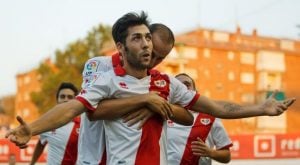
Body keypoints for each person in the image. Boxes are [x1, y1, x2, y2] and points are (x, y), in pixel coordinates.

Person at [6, 11, 296, 164]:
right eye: (138, 39)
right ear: (120, 47)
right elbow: (75, 109)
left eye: (148, 38)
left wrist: (262, 108)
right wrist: (32, 128)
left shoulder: (166, 83)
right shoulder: (105, 76)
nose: (146, 45)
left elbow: (215, 107)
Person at [77, 22, 178, 164]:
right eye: (153, 53)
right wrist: (144, 101)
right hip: (93, 158)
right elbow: (92, 111)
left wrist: (156, 107)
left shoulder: (157, 81)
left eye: (160, 58)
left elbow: (187, 115)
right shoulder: (98, 65)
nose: (153, 61)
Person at [167, 73, 232, 165]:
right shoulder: (163, 114)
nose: (182, 88)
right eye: (178, 85)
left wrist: (210, 152)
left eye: (186, 84)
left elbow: (226, 156)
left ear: (195, 92)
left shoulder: (211, 117)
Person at [30, 82, 79, 165]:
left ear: (76, 101)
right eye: (62, 96)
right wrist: (31, 163)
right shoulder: (48, 124)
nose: (66, 99)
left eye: (70, 97)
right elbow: (40, 144)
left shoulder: (84, 124)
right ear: (57, 100)